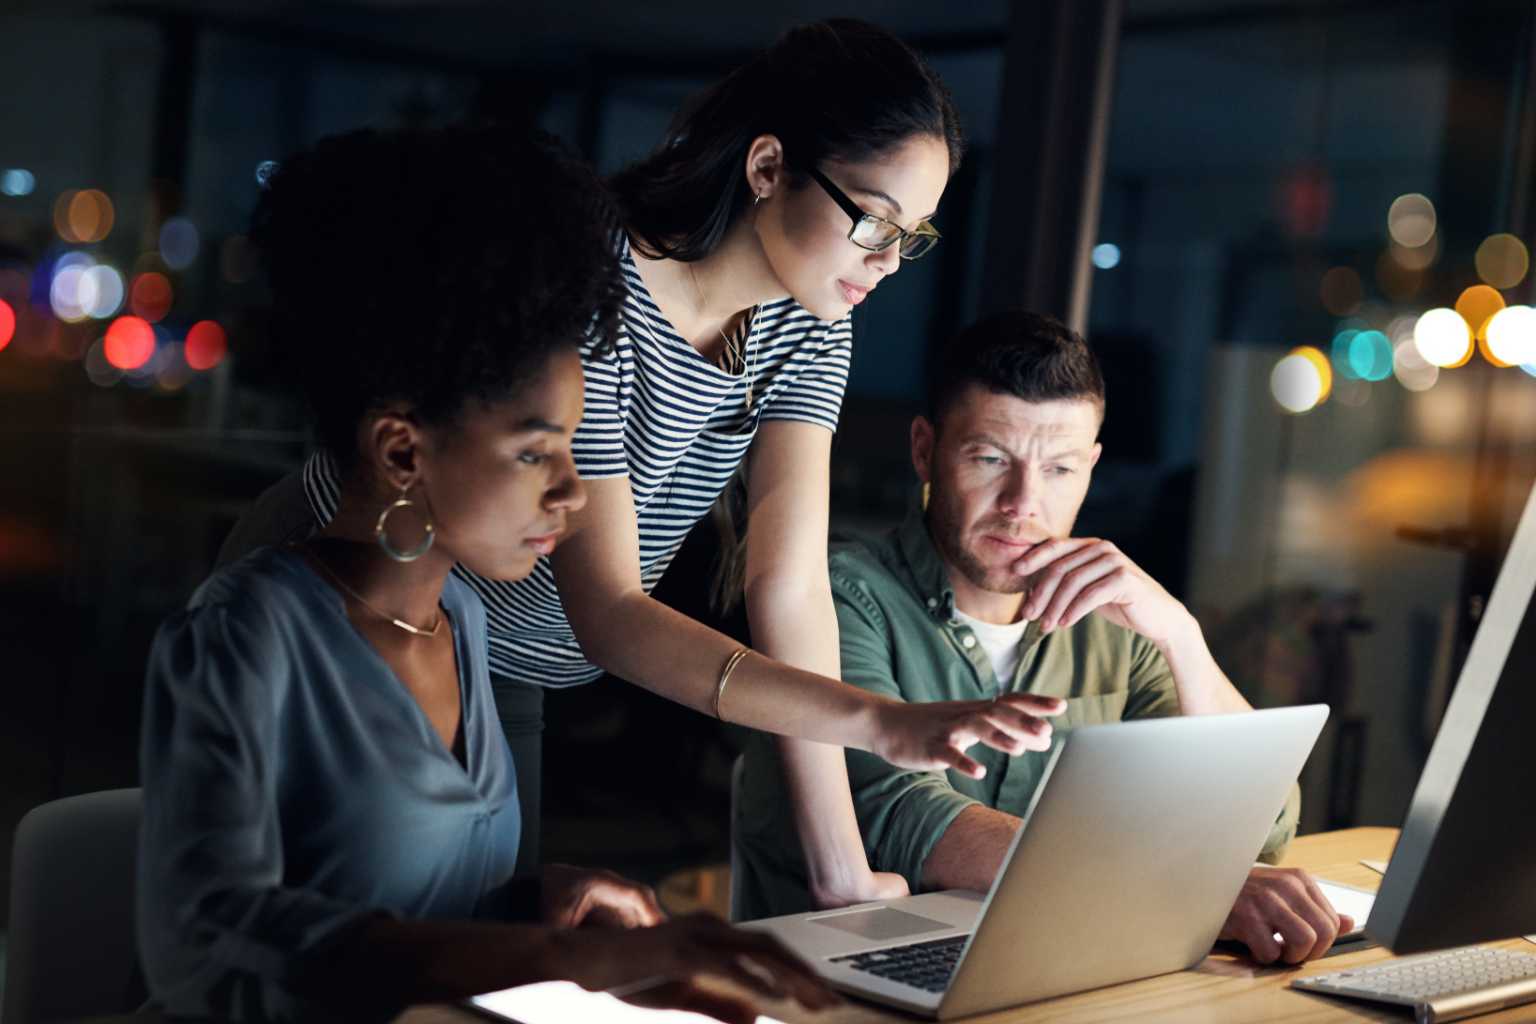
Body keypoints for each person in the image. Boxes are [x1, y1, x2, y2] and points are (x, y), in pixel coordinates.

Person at [221, 18, 1061, 907]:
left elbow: (791, 588)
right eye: (874, 221)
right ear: (769, 167)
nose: (890, 262)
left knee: (480, 932)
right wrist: (877, 721)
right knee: (314, 924)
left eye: (915, 236)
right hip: (364, 587)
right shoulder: (592, 285)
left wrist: (839, 867)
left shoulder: (812, 323)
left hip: (509, 653)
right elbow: (609, 608)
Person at [137, 125, 840, 1024]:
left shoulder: (460, 620)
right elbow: (207, 945)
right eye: (535, 455)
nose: (572, 495)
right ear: (402, 451)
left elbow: (410, 899)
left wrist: (540, 898)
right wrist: (553, 956)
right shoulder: (244, 636)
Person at [735, 310, 1354, 966]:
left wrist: (1181, 635)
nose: (1022, 502)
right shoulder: (838, 598)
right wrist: (1174, 885)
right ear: (925, 450)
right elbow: (895, 815)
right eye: (990, 458)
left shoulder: (1117, 619)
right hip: (834, 987)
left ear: (1091, 467)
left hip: (1048, 970)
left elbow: (1266, 825)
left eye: (1059, 469)